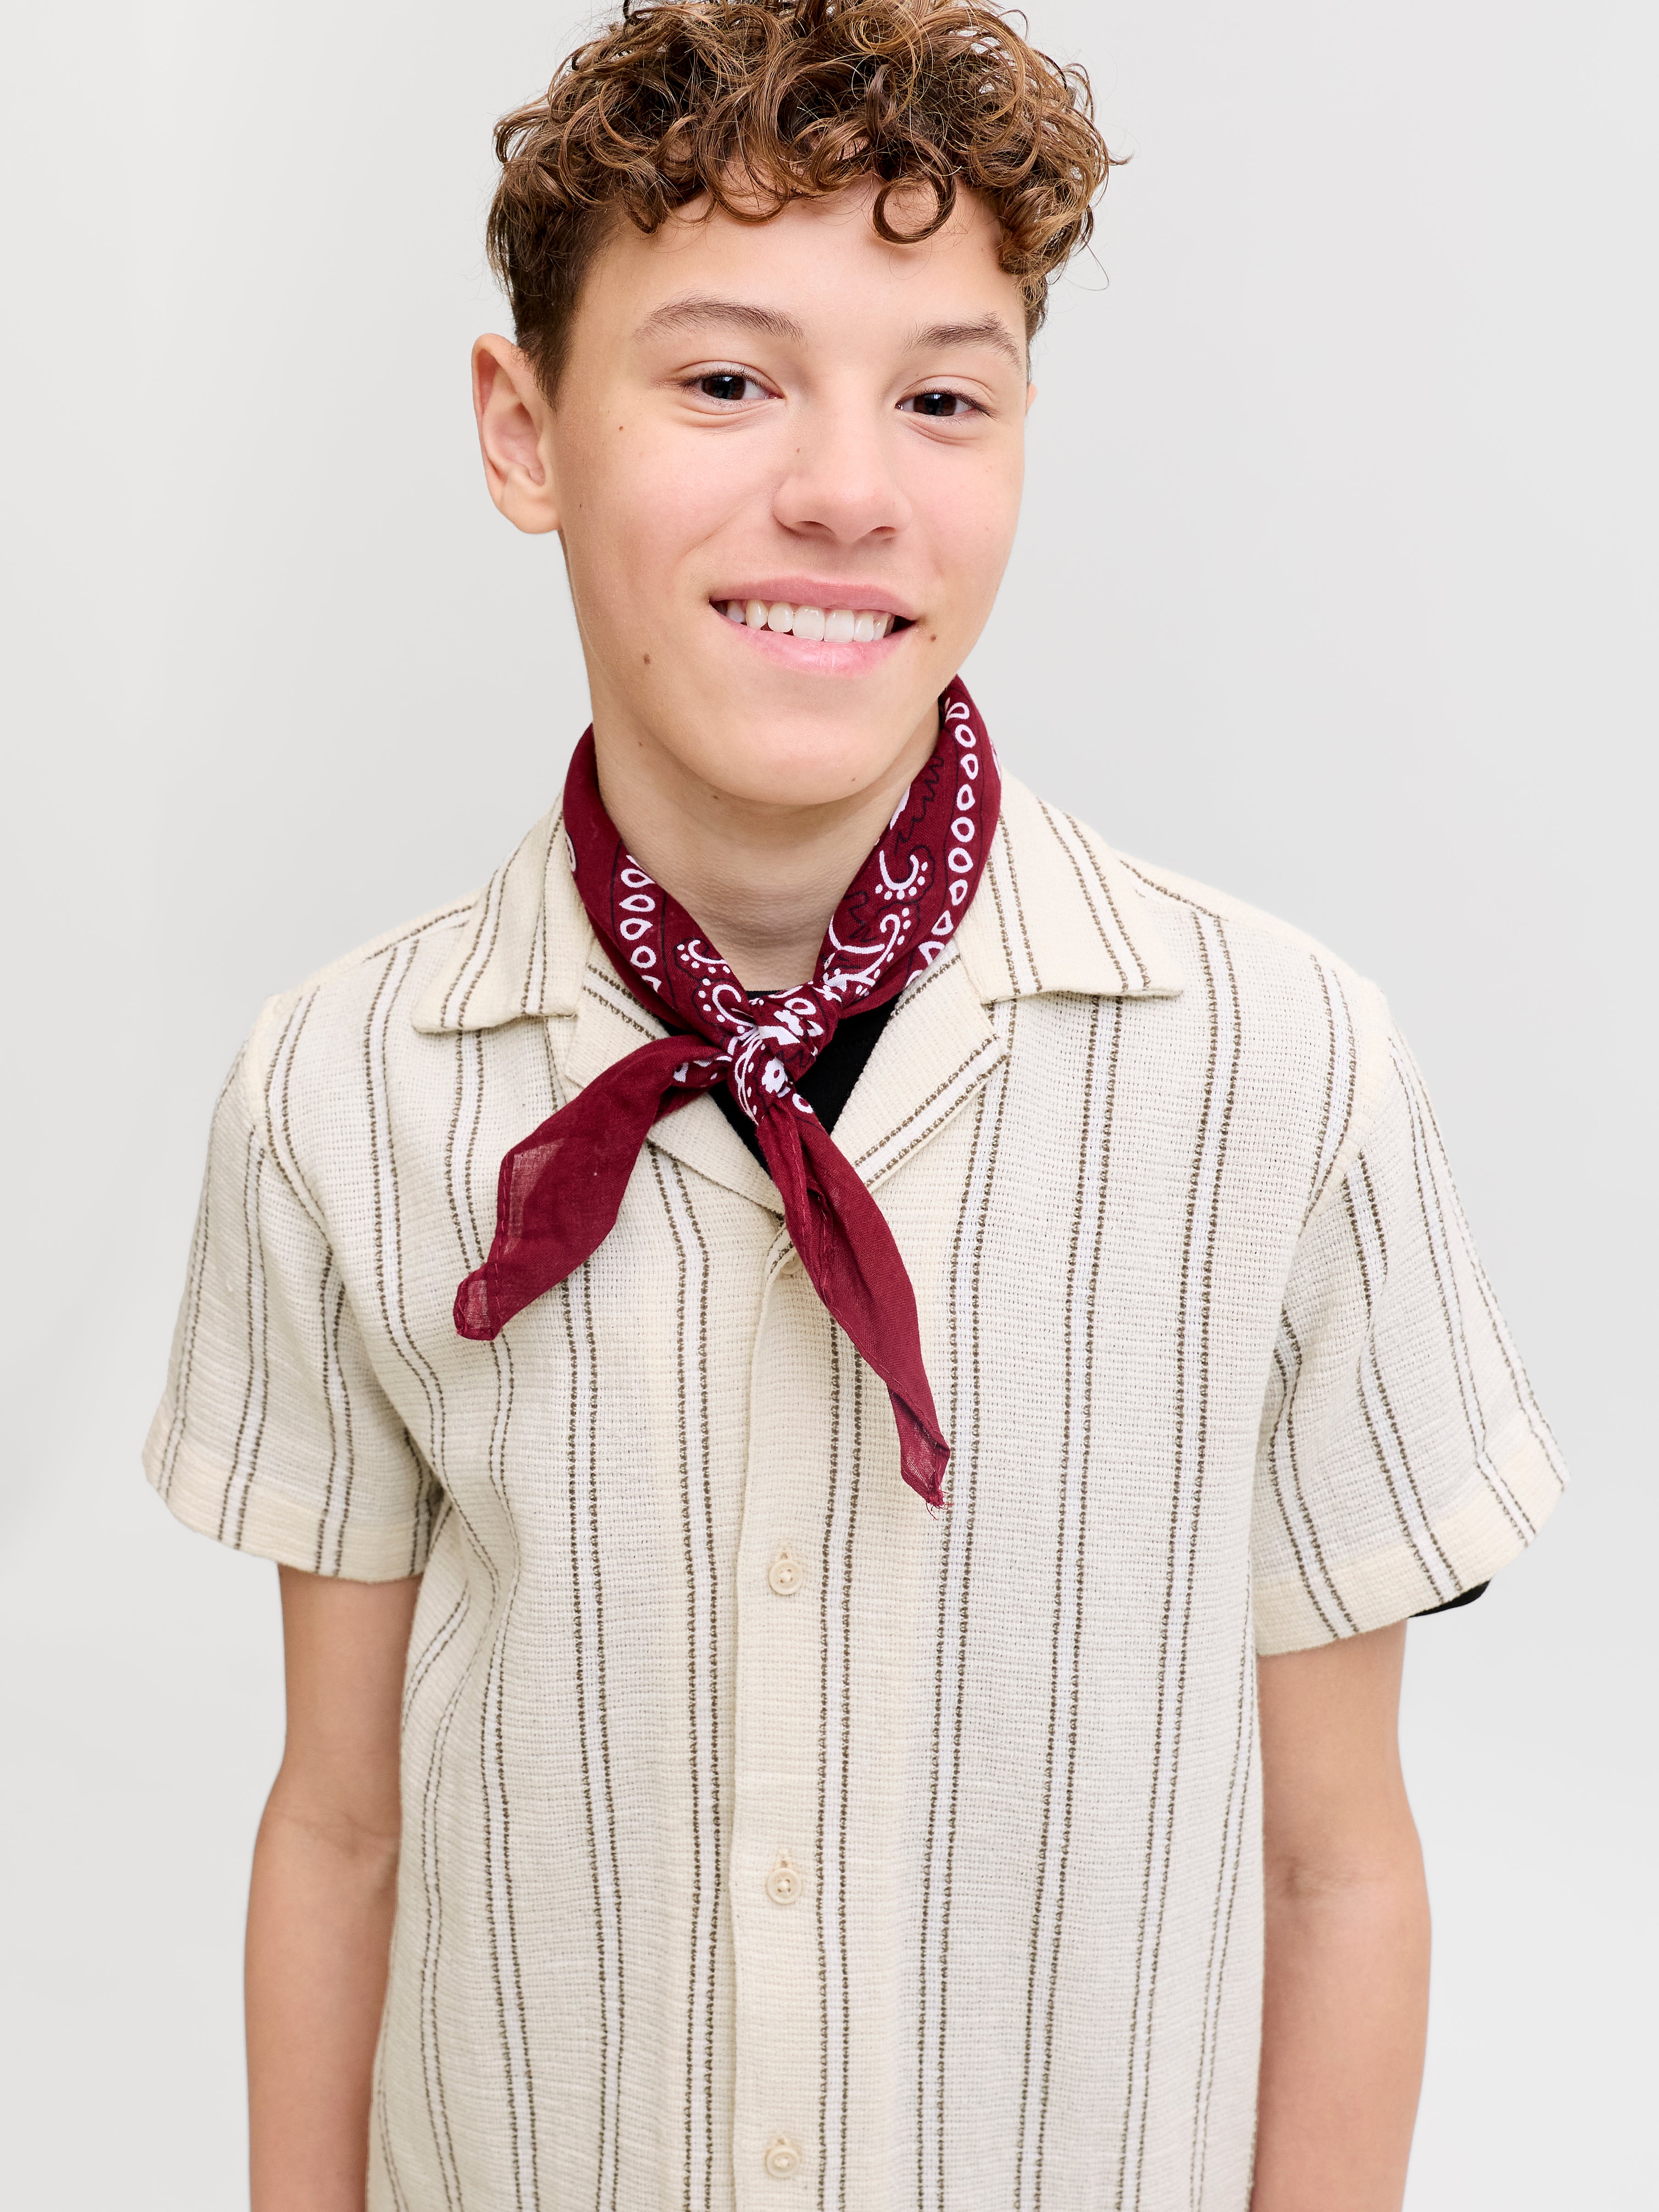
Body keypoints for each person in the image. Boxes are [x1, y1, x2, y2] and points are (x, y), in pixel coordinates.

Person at [144, 4, 1564, 2208]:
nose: (845, 486)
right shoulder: (336, 1089)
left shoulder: (1281, 1074)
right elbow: (341, 1826)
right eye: (726, 380)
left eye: (942, 396)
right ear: (523, 431)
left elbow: (1334, 1864)